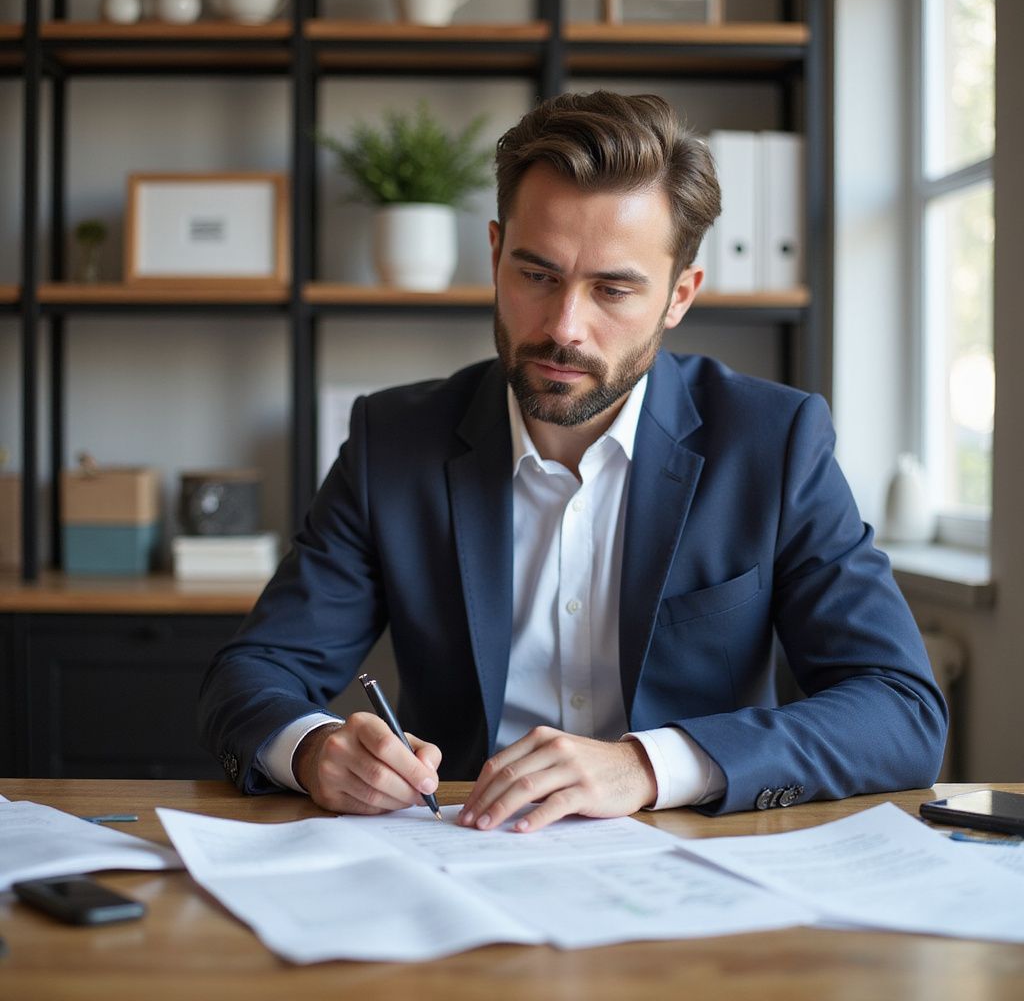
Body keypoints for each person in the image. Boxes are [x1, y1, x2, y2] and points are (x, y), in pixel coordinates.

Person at [198, 91, 947, 833]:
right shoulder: (393, 441)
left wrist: (650, 765)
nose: (564, 328)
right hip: (454, 851)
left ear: (679, 296)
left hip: (693, 872)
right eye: (537, 275)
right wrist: (313, 749)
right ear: (495, 257)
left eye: (613, 290)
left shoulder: (773, 441)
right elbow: (252, 675)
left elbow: (901, 709)